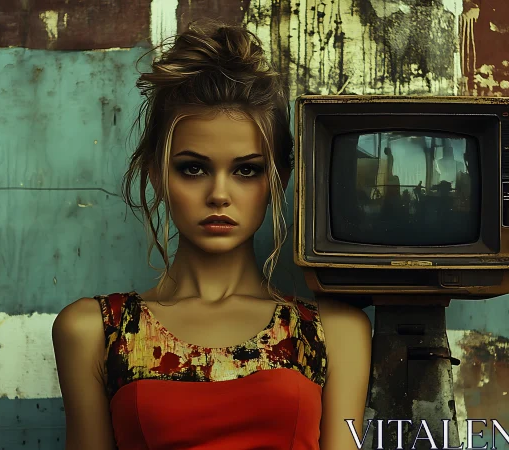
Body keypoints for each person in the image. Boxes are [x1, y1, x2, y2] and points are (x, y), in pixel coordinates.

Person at [52, 20, 372, 450]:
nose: (219, 194)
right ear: (157, 174)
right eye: (193, 168)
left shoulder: (333, 331)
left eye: (246, 170)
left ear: (278, 179)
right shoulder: (96, 331)